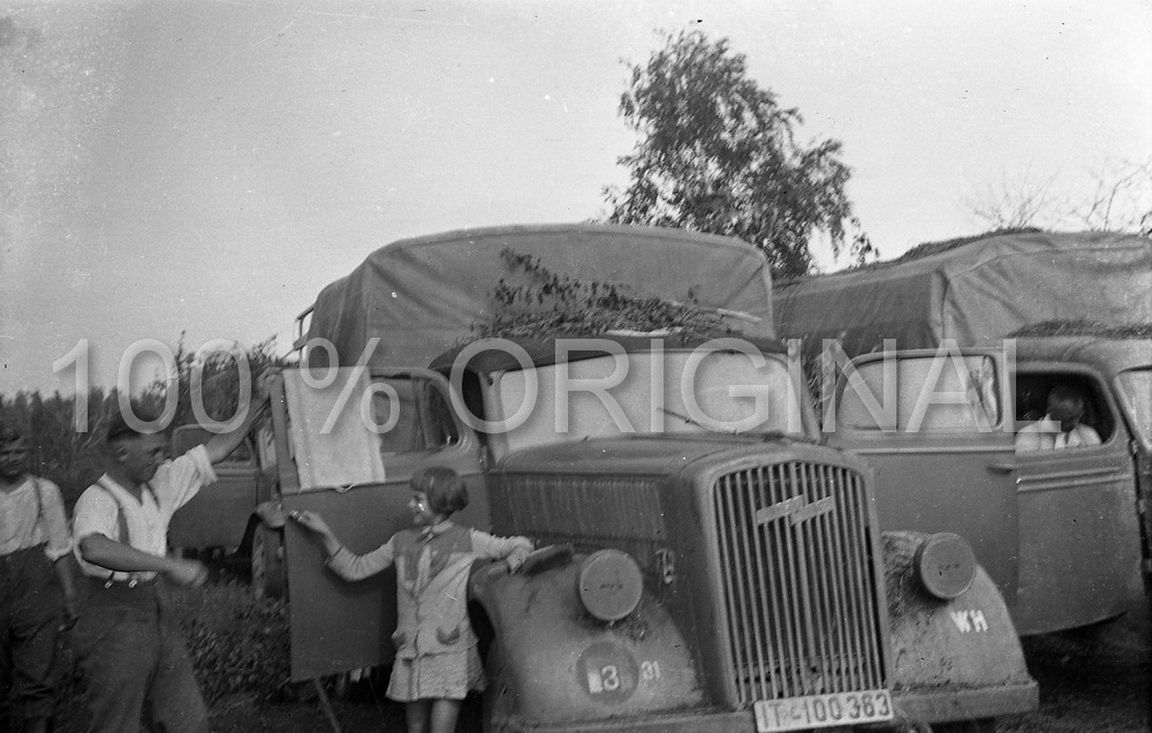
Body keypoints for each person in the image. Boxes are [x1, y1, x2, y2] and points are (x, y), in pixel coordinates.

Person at [70, 379, 270, 733]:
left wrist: (258, 401)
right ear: (122, 453)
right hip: (113, 619)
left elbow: (218, 448)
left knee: (187, 720)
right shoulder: (96, 498)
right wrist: (169, 564)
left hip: (157, 613)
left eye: (163, 451)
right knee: (117, 723)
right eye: (153, 452)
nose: (162, 459)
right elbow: (93, 547)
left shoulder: (160, 482)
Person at [291, 467, 532, 733]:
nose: (410, 504)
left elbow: (518, 544)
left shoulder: (467, 539)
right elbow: (354, 568)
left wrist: (515, 557)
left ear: (440, 502)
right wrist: (324, 532)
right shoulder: (400, 541)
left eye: (417, 499)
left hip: (450, 651)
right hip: (412, 653)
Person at [0, 424, 78, 733]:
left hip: (35, 588)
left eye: (19, 451)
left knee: (38, 672)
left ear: (28, 452)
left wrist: (69, 595)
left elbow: (59, 548)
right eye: (4, 453)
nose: (12, 459)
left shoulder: (45, 491)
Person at [1015, 383, 1102, 452]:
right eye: (1068, 419)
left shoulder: (1088, 435)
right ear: (1050, 411)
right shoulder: (1028, 436)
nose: (1075, 423)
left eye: (1078, 417)